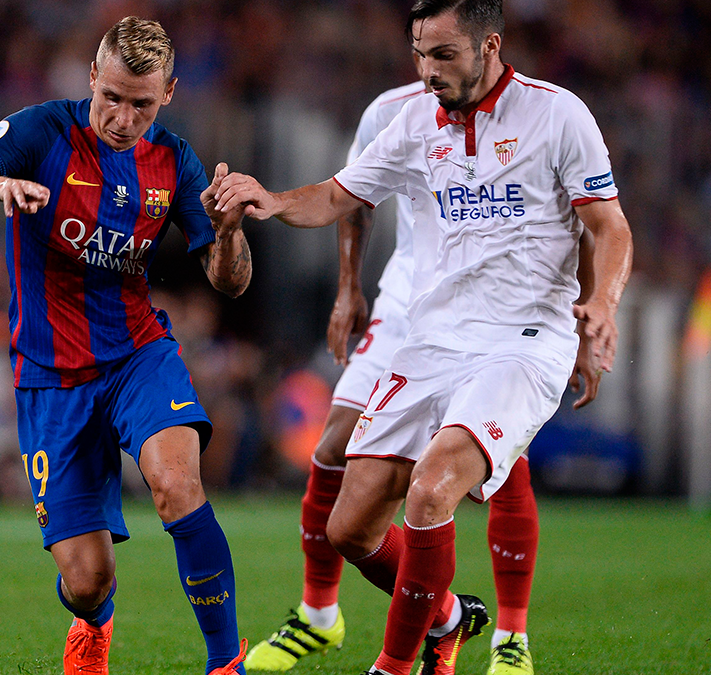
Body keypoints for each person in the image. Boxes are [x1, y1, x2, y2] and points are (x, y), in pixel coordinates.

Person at [214, 1, 633, 673]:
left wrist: (602, 306)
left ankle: (402, 662)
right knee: (348, 526)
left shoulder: (558, 114)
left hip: (522, 339)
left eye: (443, 55)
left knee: (433, 487)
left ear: (489, 46)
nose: (427, 70)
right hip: (430, 336)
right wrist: (272, 199)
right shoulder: (409, 117)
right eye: (419, 53)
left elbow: (608, 226)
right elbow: (338, 196)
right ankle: (448, 620)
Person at [0, 17, 252, 675]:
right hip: (50, 377)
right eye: (114, 98)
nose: (125, 118)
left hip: (137, 356)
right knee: (87, 579)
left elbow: (230, 281)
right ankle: (92, 626)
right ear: (93, 77)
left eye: (143, 104)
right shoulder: (42, 130)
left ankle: (225, 663)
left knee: (176, 483)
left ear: (169, 94)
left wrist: (231, 232)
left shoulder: (175, 162)